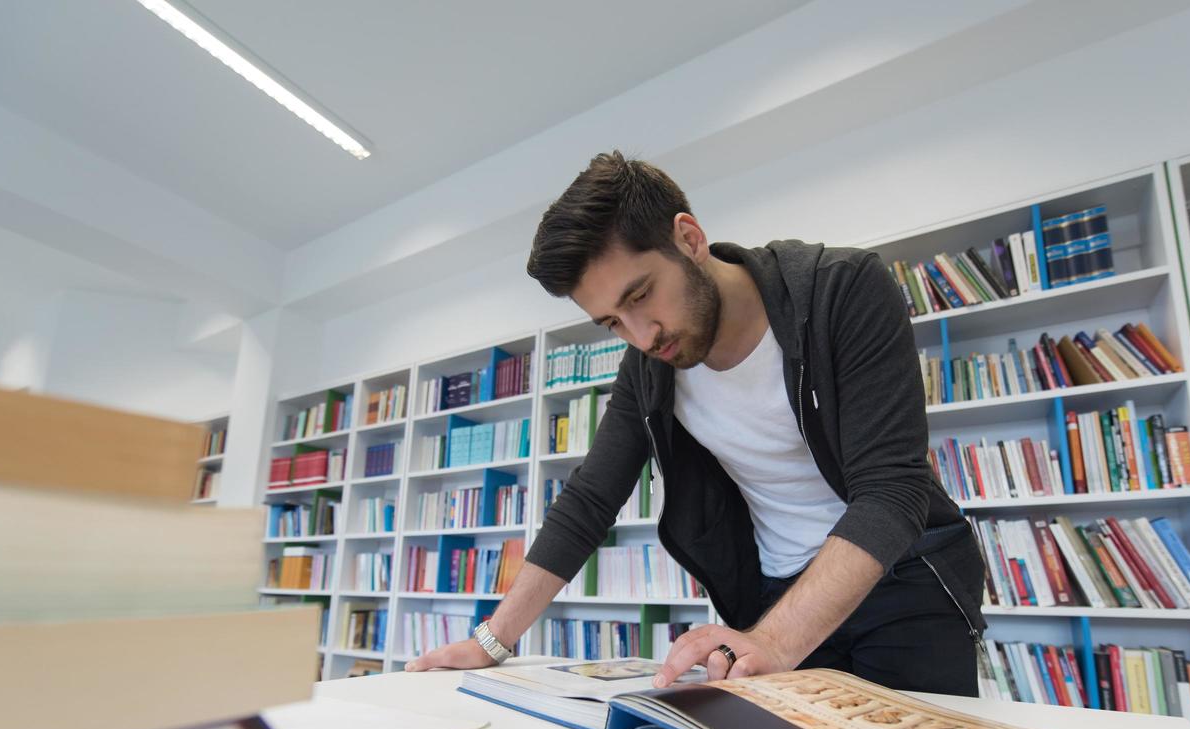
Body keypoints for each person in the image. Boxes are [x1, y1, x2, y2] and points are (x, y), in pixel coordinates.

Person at [407, 151, 986, 695]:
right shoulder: (649, 367)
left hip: (905, 581)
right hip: (774, 595)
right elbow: (589, 499)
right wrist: (493, 640)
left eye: (641, 295)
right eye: (612, 322)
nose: (642, 336)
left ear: (689, 238)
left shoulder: (841, 289)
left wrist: (772, 641)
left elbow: (892, 489)